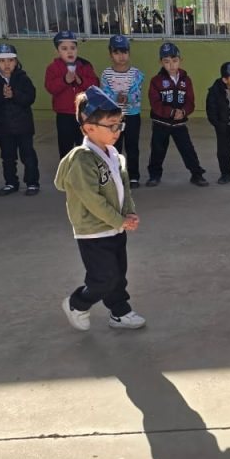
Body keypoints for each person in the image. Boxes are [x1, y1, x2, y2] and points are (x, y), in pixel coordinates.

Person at [54, 86, 145, 331]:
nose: (117, 131)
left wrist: (128, 213)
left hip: (115, 228)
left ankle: (120, 312)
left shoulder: (114, 155)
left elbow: (123, 188)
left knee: (118, 275)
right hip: (93, 232)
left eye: (119, 125)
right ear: (88, 127)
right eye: (111, 126)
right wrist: (118, 220)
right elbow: (91, 199)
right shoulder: (81, 159)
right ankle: (77, 303)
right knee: (103, 278)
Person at [145, 42, 207, 187]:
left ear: (180, 60)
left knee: (187, 149)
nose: (171, 65)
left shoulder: (186, 80)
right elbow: (155, 103)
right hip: (161, 124)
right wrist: (171, 112)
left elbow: (190, 102)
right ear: (161, 62)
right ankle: (154, 175)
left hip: (179, 124)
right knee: (157, 150)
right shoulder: (156, 81)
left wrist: (183, 112)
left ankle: (196, 174)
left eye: (174, 61)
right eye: (166, 61)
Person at [0, 42, 40, 196]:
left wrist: (14, 95)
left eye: (10, 60)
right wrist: (1, 95)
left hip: (23, 126)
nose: (6, 64)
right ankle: (11, 183)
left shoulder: (22, 78)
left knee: (28, 155)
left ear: (16, 61)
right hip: (3, 127)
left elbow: (30, 97)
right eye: (2, 61)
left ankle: (32, 182)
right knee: (7, 157)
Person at [44, 30, 99, 158]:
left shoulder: (85, 65)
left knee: (85, 146)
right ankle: (67, 173)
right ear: (57, 51)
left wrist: (81, 81)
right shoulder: (53, 68)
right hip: (64, 115)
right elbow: (50, 87)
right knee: (65, 147)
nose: (69, 51)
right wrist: (65, 80)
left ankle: (85, 172)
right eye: (64, 48)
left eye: (72, 48)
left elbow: (95, 85)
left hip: (84, 114)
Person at [100, 34, 145, 187]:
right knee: (114, 147)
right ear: (110, 54)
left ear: (129, 53)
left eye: (124, 52)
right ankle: (116, 174)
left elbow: (138, 94)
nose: (121, 56)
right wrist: (115, 97)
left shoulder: (136, 74)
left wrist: (128, 98)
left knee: (132, 146)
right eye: (117, 52)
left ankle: (133, 176)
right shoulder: (106, 74)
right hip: (114, 117)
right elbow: (104, 94)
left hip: (132, 116)